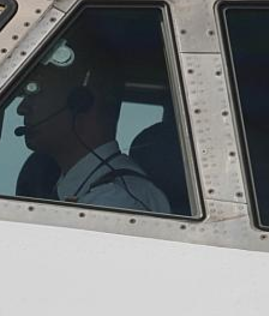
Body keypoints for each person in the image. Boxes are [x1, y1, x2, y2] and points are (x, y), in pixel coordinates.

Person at [13, 36, 170, 213]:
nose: (22, 108)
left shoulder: (115, 201)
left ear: (80, 101)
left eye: (35, 89)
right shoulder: (79, 188)